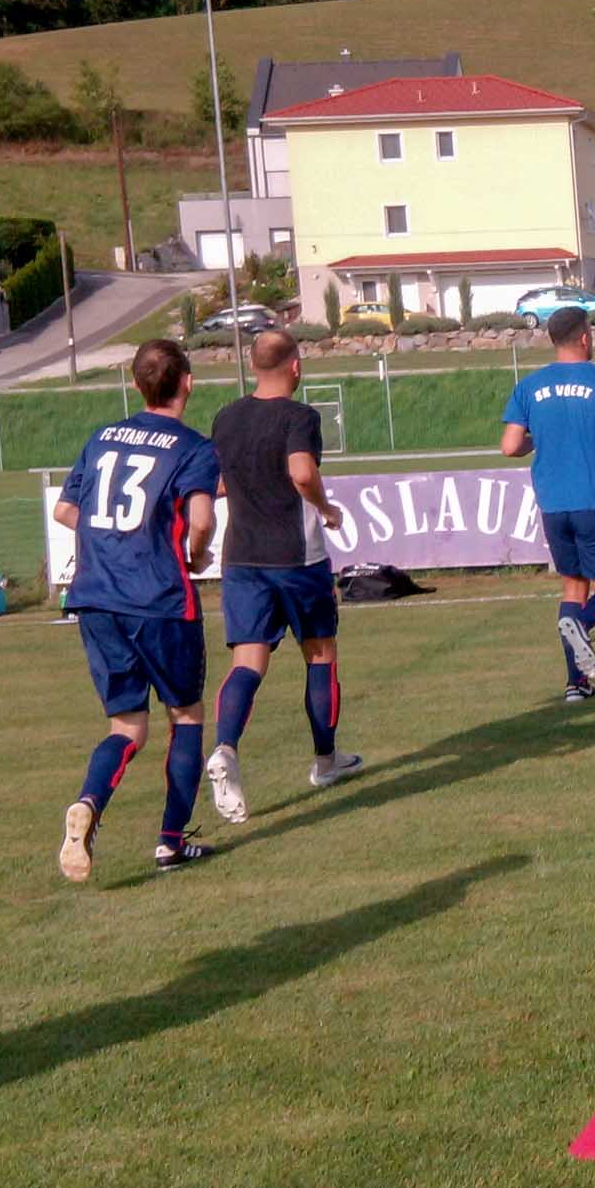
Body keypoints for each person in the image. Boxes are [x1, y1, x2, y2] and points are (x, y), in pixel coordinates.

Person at [55, 339, 222, 881]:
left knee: (126, 727)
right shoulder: (194, 448)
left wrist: (115, 542)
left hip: (96, 599)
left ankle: (88, 802)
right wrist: (195, 555)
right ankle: (170, 843)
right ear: (188, 383)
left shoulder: (102, 437)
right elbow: (202, 521)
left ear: (135, 385)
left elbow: (66, 510)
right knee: (186, 715)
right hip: (160, 600)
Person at [204, 329, 362, 822]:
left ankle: (225, 748)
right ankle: (326, 761)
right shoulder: (300, 417)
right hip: (297, 558)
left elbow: (218, 482)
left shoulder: (226, 417)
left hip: (241, 559)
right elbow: (301, 473)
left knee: (248, 662)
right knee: (320, 654)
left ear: (253, 366)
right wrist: (326, 508)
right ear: (295, 366)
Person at [501, 304, 595, 703]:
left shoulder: (530, 386)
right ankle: (582, 624)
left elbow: (510, 446)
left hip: (553, 503)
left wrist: (541, 439)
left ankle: (576, 684)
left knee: (573, 587)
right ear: (584, 337)